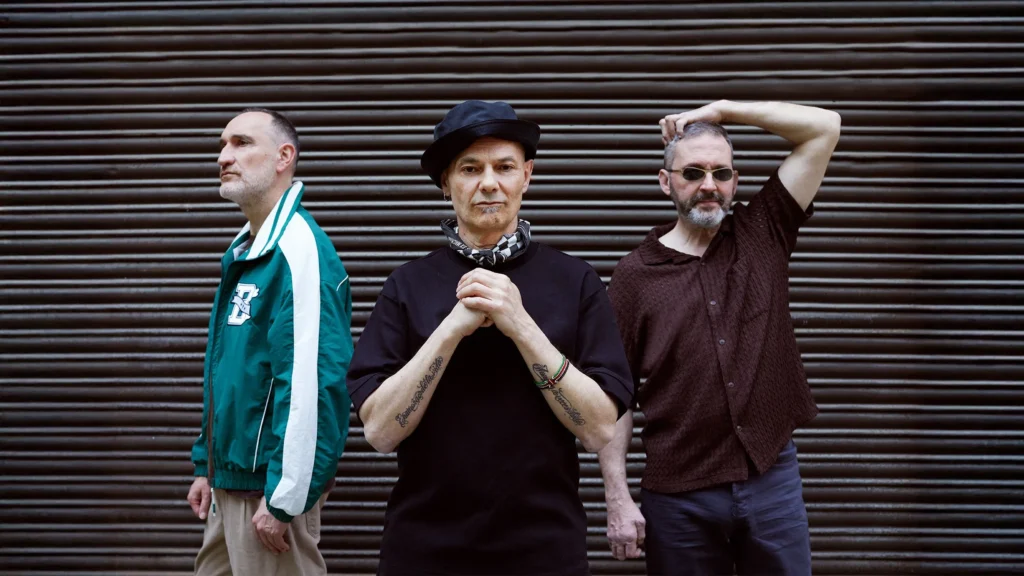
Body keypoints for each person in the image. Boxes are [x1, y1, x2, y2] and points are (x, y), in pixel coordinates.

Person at [346, 100, 634, 576]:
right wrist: (449, 330)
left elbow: (599, 429)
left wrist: (520, 324)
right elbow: (379, 432)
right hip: (424, 550)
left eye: (504, 167)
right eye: (469, 169)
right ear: (446, 183)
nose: (488, 183)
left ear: (527, 176)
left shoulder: (575, 280)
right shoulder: (407, 285)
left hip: (543, 550)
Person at [599, 100, 842, 575]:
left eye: (721, 173)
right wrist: (617, 497)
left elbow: (825, 127)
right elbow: (615, 395)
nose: (709, 185)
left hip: (770, 478)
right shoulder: (634, 275)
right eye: (693, 172)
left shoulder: (764, 230)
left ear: (735, 180)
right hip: (678, 495)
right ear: (666, 181)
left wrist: (724, 111)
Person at [187, 108, 353, 576]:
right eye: (222, 145)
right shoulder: (248, 249)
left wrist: (285, 497)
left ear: (284, 157)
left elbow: (313, 385)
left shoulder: (298, 252)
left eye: (242, 143)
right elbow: (232, 370)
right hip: (230, 484)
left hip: (268, 495)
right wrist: (207, 465)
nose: (224, 157)